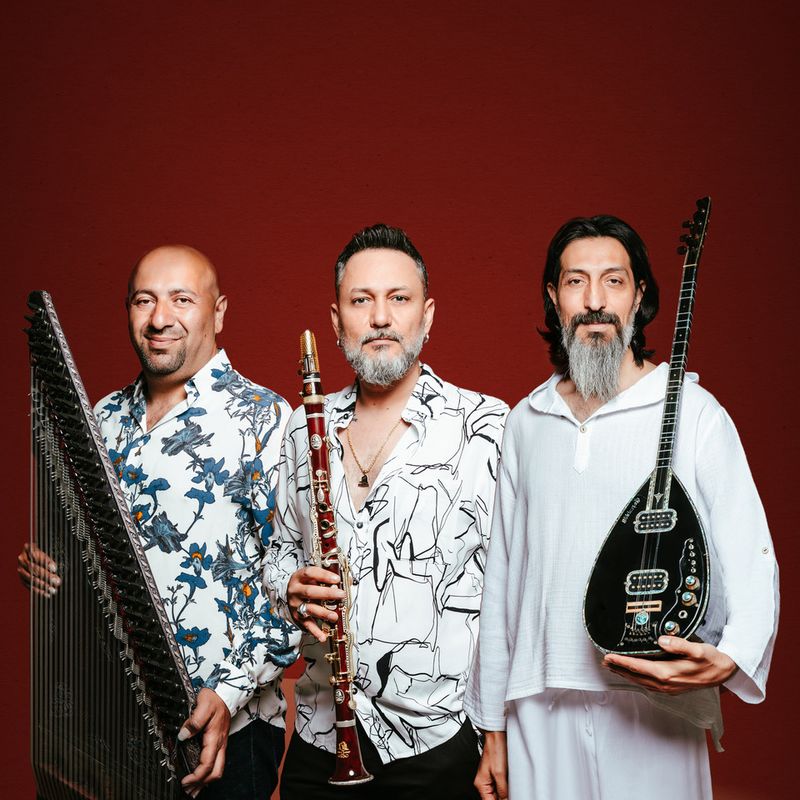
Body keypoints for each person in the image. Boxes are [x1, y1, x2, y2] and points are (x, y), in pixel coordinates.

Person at [464, 215, 779, 800]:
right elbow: (503, 580)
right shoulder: (526, 421)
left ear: (639, 296)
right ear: (554, 297)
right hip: (540, 700)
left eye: (613, 281)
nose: (595, 301)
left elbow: (751, 550)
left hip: (655, 697)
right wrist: (492, 727)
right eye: (576, 282)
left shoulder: (694, 411)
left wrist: (734, 655)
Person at [19, 245, 300, 798]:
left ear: (219, 312)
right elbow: (91, 558)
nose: (160, 318)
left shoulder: (265, 420)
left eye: (181, 299)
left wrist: (228, 692)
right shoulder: (101, 418)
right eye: (144, 300)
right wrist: (53, 570)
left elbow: (296, 586)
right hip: (111, 721)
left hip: (226, 731)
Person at [260, 223, 507, 799]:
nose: (380, 318)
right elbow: (278, 555)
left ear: (427, 314)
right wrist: (288, 588)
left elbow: (513, 595)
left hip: (439, 741)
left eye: (399, 298)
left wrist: (499, 729)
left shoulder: (487, 427)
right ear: (335, 320)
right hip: (322, 737)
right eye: (361, 300)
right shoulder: (303, 426)